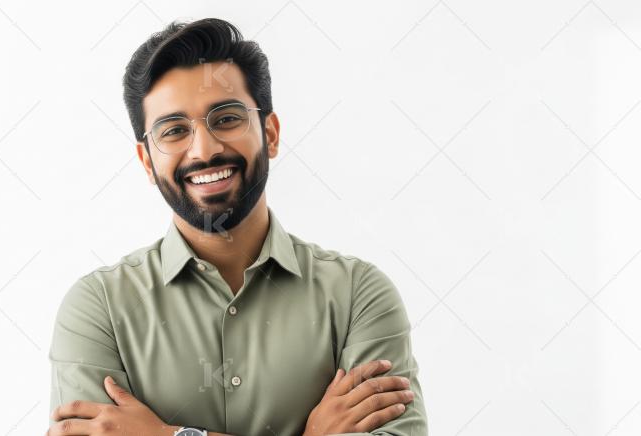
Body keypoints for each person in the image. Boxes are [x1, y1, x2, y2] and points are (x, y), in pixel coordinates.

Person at [47, 17, 428, 436]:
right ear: (146, 162)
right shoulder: (97, 310)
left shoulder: (358, 296)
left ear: (270, 132)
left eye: (226, 119)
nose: (205, 150)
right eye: (174, 130)